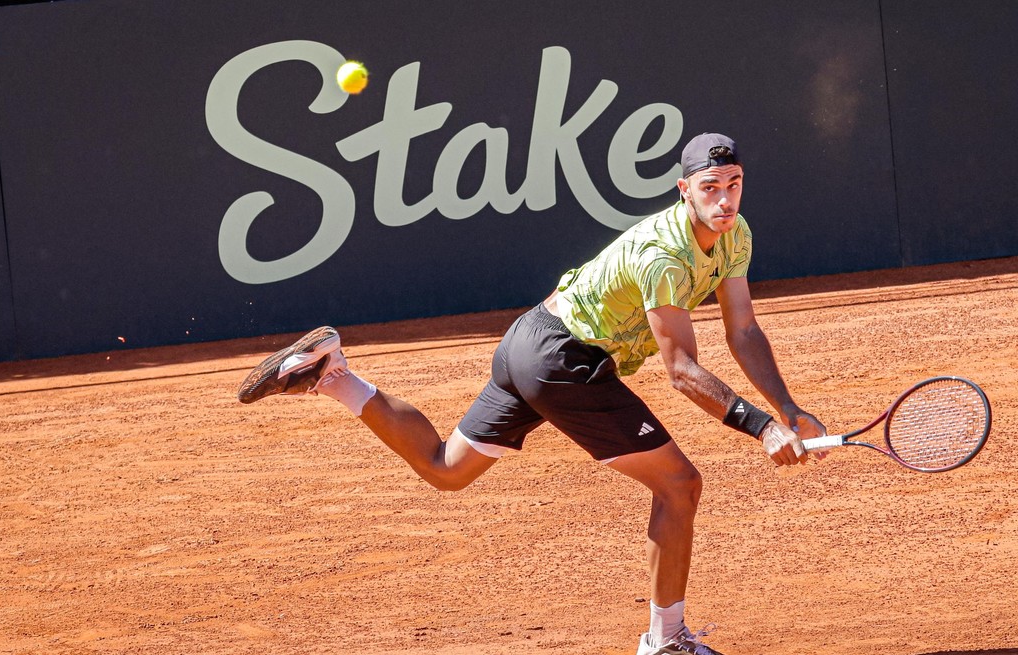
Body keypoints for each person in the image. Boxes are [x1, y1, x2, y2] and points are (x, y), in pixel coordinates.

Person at [237, 132, 826, 655]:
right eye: (710, 187)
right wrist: (760, 427)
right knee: (679, 485)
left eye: (735, 185)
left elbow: (743, 329)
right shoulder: (663, 255)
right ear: (683, 190)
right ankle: (665, 642)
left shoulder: (735, 234)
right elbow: (680, 370)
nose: (725, 200)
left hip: (529, 338)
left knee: (447, 469)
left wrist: (789, 409)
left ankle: (333, 374)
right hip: (565, 359)